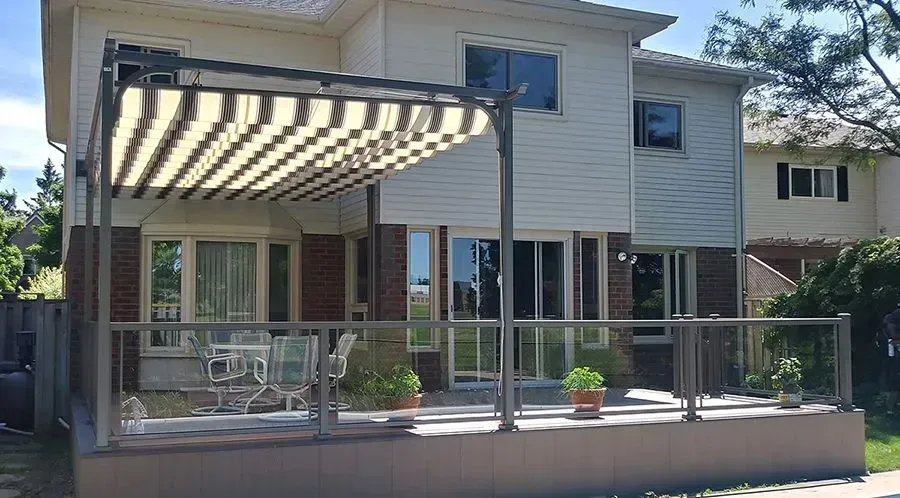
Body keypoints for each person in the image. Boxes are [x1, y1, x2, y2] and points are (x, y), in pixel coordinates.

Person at [882, 304, 900, 415]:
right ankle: (890, 412)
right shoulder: (890, 319)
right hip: (893, 358)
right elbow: (893, 337)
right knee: (894, 387)